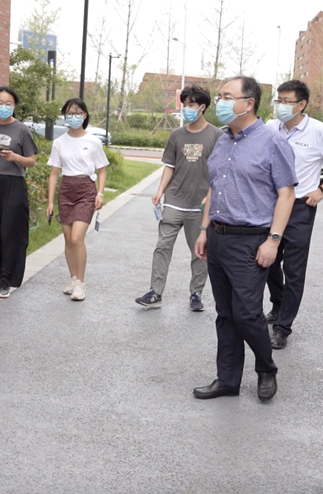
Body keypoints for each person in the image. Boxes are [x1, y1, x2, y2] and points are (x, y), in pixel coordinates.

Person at [191, 76, 297, 402]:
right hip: (218, 236)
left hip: (252, 240)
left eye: (227, 96)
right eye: (220, 95)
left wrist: (273, 240)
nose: (220, 102)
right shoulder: (223, 140)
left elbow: (286, 194)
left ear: (248, 103)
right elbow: (215, 188)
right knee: (225, 313)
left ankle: (266, 368)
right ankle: (227, 379)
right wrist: (205, 229)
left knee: (247, 313)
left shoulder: (272, 142)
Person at [264, 80, 323, 349]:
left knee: (293, 269)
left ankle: (283, 327)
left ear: (302, 104)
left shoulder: (318, 131)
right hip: (271, 205)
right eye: (278, 100)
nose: (281, 105)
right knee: (268, 261)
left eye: (287, 101)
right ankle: (277, 304)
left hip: (301, 207)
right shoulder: (271, 128)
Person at [135, 85, 221, 312]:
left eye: (191, 105)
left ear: (202, 107)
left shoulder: (216, 136)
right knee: (162, 246)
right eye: (185, 104)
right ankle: (155, 292)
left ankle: (196, 293)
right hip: (174, 200)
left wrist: (210, 198)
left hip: (200, 204)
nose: (187, 109)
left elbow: (220, 173)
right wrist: (160, 191)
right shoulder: (177, 135)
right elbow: (169, 166)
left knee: (199, 251)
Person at [0, 86, 38, 299]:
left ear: (14, 106)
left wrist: (15, 158)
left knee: (10, 233)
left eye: (8, 104)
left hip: (15, 184)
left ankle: (6, 280)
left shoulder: (22, 130)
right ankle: (1, 263)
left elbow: (31, 160)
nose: (3, 107)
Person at [45, 98, 109, 301]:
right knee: (67, 239)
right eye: (69, 113)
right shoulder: (59, 142)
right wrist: (50, 202)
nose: (73, 117)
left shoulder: (93, 141)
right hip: (66, 190)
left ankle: (80, 283)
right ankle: (72, 278)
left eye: (77, 113)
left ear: (85, 115)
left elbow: (102, 171)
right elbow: (54, 173)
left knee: (76, 238)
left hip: (86, 191)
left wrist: (100, 193)